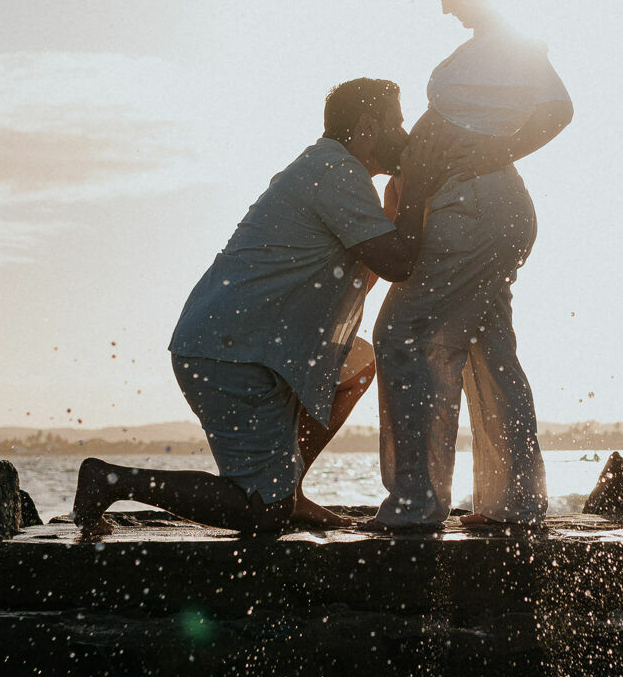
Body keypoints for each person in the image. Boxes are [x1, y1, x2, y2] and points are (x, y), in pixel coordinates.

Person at [73, 78, 450, 540]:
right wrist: (416, 190)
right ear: (368, 127)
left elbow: (370, 271)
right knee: (262, 516)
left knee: (360, 362)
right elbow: (397, 263)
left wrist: (395, 205)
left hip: (245, 346)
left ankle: (287, 489)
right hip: (231, 356)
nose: (405, 135)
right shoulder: (337, 172)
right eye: (398, 123)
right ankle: (110, 480)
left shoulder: (331, 171)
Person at [371, 0, 573, 533]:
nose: (443, 8)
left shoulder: (512, 39)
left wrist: (495, 150)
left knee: (399, 333)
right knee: (489, 345)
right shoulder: (495, 43)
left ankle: (416, 503)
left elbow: (559, 109)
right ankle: (514, 502)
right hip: (484, 205)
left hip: (479, 206)